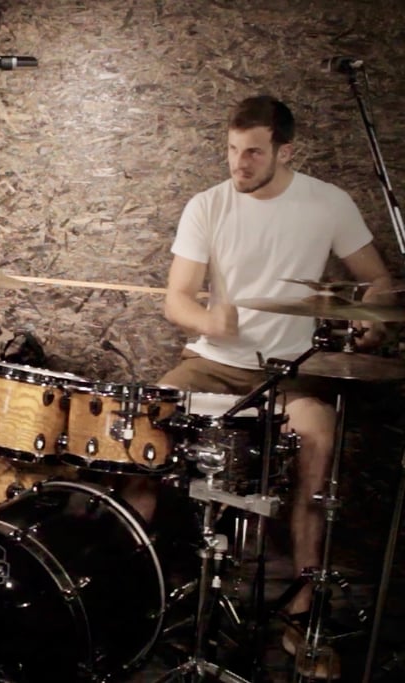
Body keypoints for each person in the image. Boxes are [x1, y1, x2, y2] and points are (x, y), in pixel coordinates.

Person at [153, 94, 393, 680]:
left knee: (318, 440)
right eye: (233, 150)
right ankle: (144, 586)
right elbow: (176, 298)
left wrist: (371, 323)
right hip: (212, 362)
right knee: (142, 426)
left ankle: (304, 609)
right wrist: (212, 321)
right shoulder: (207, 206)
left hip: (291, 370)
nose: (240, 163)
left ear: (287, 150)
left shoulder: (327, 204)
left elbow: (380, 283)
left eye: (254, 152)